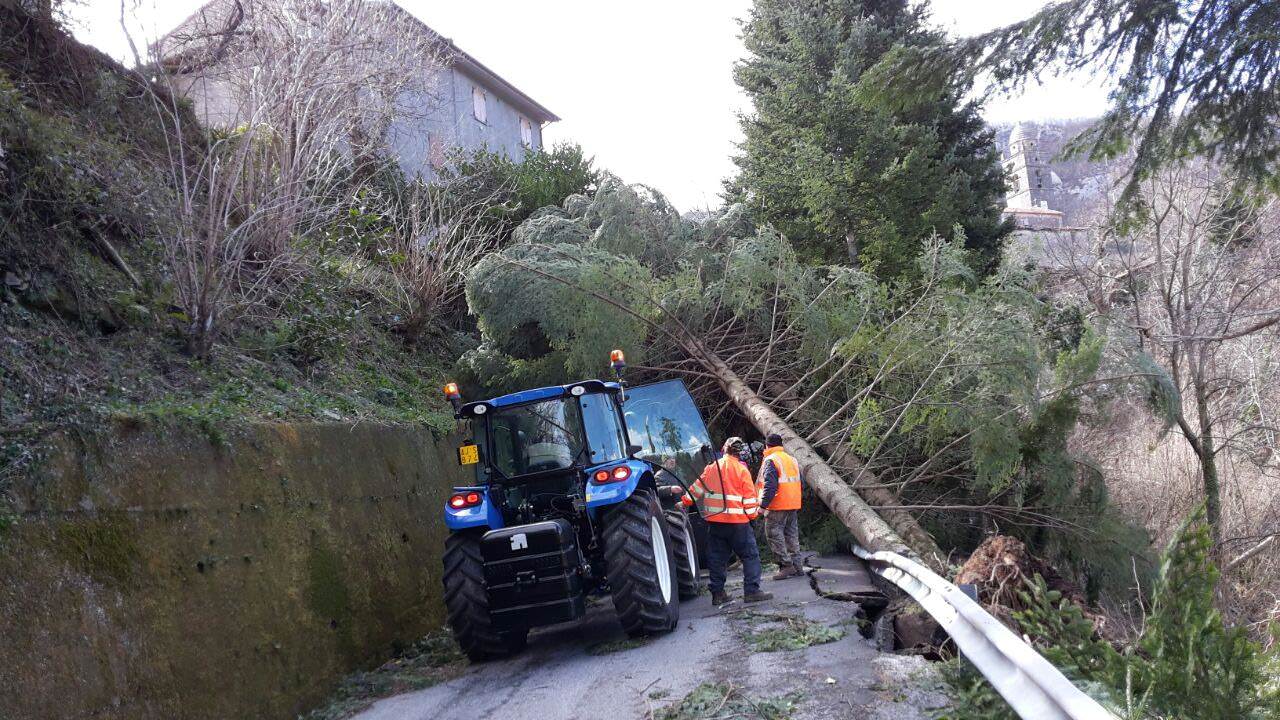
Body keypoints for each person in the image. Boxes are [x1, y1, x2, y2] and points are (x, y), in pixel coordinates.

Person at [683, 437, 772, 606]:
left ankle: (718, 594)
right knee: (750, 556)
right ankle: (752, 592)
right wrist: (754, 515)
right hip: (738, 523)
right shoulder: (741, 470)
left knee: (717, 559)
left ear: (724, 449)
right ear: (739, 452)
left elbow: (696, 489)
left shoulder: (711, 468)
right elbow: (749, 499)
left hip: (716, 521)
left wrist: (684, 502)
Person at [757, 433, 804, 580]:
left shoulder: (771, 460)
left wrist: (763, 505)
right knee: (791, 535)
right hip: (793, 503)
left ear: (767, 446)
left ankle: (785, 566)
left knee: (773, 533)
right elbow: (800, 481)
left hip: (778, 504)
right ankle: (797, 566)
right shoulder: (792, 460)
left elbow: (770, 485)